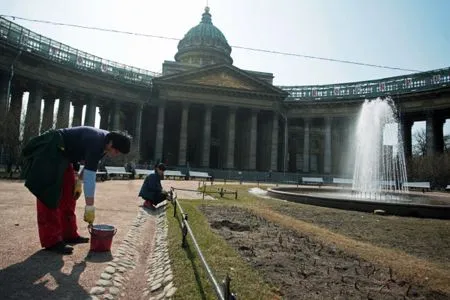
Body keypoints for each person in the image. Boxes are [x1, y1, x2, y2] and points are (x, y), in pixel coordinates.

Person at [21, 126, 131, 254]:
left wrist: (78, 181)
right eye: (116, 151)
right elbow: (90, 179)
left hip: (65, 155)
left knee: (69, 193)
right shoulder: (96, 141)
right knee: (49, 194)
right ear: (111, 143)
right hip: (53, 148)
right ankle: (52, 240)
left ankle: (69, 234)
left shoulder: (105, 143)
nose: (115, 155)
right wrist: (90, 207)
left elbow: (89, 165)